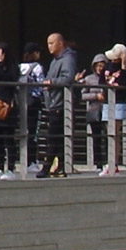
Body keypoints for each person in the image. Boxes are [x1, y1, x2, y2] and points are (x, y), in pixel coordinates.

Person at [36, 33, 78, 175]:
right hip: (53, 103)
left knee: (53, 137)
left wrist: (52, 83)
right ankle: (59, 166)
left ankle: (47, 167)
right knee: (57, 138)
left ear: (61, 43)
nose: (49, 46)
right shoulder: (55, 60)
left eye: (52, 43)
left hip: (61, 104)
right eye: (48, 43)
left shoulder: (67, 59)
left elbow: (68, 78)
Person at [0, 46, 21, 176]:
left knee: (9, 139)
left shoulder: (12, 68)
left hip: (8, 106)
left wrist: (0, 64)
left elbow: (8, 79)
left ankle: (10, 168)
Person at [97, 42, 126, 174]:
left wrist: (124, 65)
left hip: (119, 102)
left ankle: (114, 162)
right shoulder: (107, 67)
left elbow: (125, 81)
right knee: (108, 132)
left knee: (115, 133)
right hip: (107, 102)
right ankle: (109, 161)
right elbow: (101, 81)